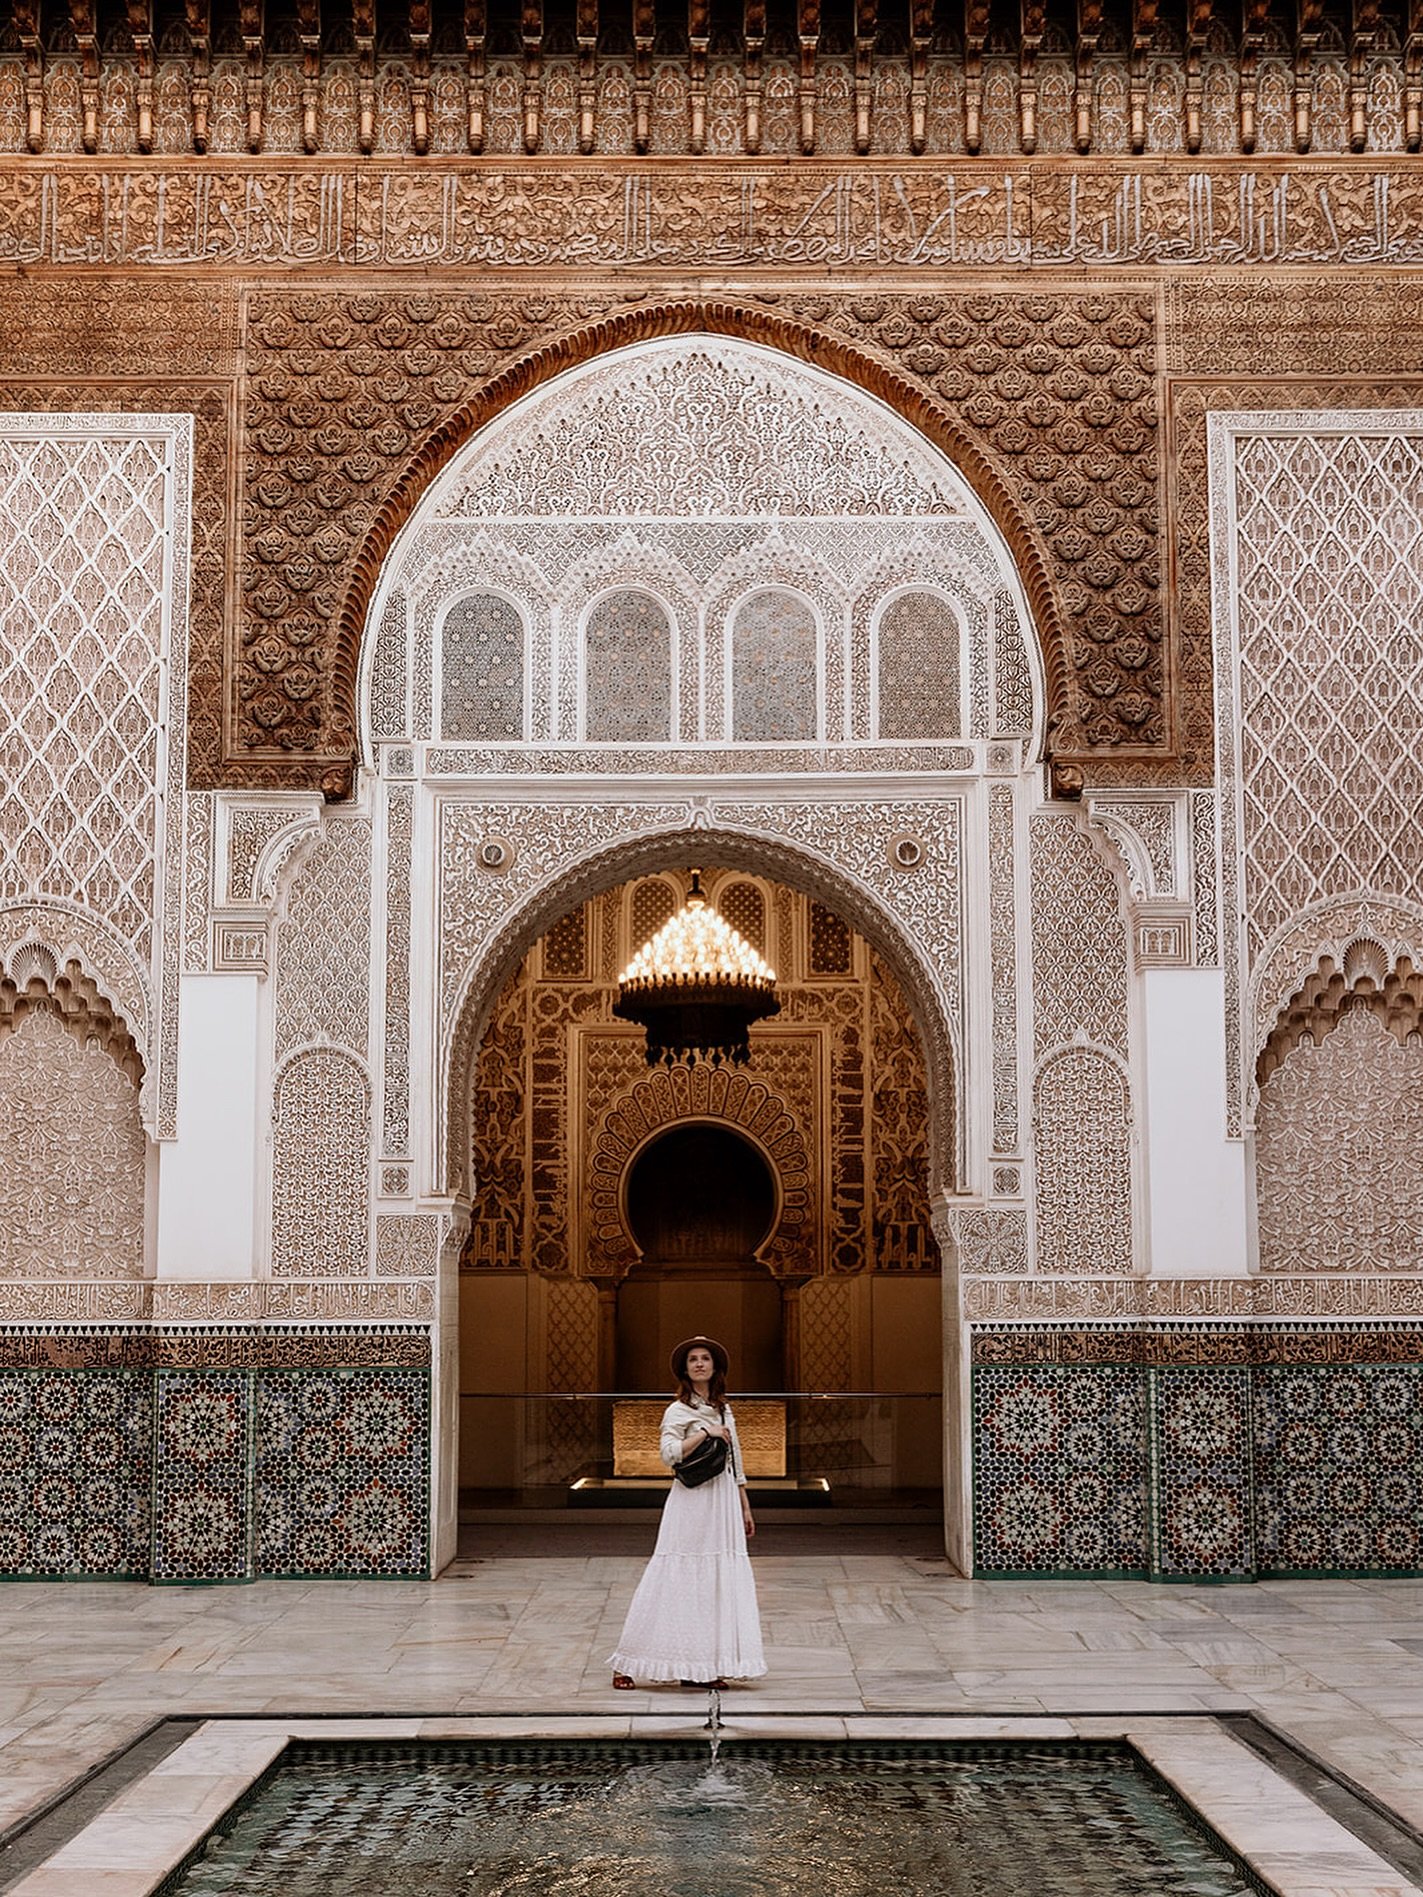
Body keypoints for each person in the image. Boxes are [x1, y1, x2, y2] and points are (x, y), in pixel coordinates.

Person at [609, 1335, 767, 1690]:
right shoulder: (677, 1410)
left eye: (705, 1358)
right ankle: (627, 1659)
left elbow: (735, 1461)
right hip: (692, 1500)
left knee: (714, 1581)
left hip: (722, 1500)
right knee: (677, 1575)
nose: (699, 1364)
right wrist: (704, 1433)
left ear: (715, 1367)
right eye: (693, 1359)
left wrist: (745, 1506)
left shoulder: (726, 1409)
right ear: (684, 1369)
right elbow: (669, 1454)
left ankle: (700, 1666)